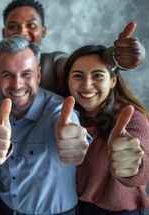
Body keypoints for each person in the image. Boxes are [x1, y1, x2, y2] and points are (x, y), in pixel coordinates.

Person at [0, 35, 90, 215]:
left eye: (26, 74)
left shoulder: (59, 111)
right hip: (5, 208)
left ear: (38, 75)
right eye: (8, 75)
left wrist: (74, 140)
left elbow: (70, 129)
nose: (17, 84)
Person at [0, 0, 146, 106]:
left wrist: (115, 56)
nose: (21, 31)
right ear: (4, 32)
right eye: (13, 26)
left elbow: (84, 65)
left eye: (31, 25)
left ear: (42, 31)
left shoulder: (54, 62)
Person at [59, 44, 149, 214]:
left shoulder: (131, 118)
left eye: (98, 75)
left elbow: (142, 159)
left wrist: (132, 166)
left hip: (121, 211)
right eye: (78, 76)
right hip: (79, 209)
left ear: (113, 80)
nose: (87, 84)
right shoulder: (69, 117)